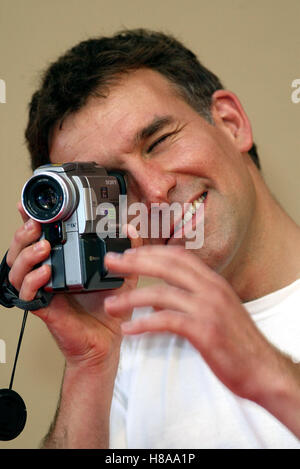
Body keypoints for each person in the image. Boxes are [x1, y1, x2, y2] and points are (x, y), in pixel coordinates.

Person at [6, 29, 300, 448]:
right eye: (116, 183)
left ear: (231, 124)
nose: (155, 190)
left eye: (159, 142)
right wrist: (90, 366)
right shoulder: (127, 344)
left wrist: (267, 373)